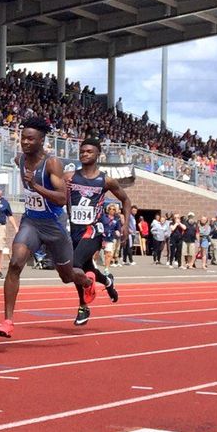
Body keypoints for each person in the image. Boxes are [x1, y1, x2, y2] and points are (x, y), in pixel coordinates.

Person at [0, 117, 95, 339]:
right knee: (15, 263)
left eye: (31, 139)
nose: (25, 142)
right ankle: (8, 321)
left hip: (54, 226)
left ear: (41, 141)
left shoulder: (52, 164)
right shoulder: (19, 159)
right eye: (23, 138)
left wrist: (36, 186)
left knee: (67, 277)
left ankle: (88, 281)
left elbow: (61, 198)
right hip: (31, 222)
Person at [66, 138, 130, 327]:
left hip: (93, 230)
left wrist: (125, 224)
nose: (84, 154)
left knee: (75, 265)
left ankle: (83, 306)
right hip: (74, 230)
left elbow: (125, 200)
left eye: (89, 151)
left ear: (97, 154)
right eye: (82, 151)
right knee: (88, 270)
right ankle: (107, 282)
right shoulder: (69, 177)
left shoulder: (105, 180)